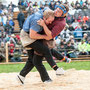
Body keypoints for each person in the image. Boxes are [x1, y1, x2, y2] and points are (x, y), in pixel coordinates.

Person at [17, 4, 71, 84]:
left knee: (34, 59)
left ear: (63, 15)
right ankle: (55, 71)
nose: (56, 11)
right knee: (45, 51)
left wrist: (44, 29)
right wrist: (44, 32)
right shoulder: (38, 20)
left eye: (59, 11)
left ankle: (21, 76)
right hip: (30, 36)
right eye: (56, 9)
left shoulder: (60, 23)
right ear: (44, 17)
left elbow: (50, 36)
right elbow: (32, 35)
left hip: (37, 36)